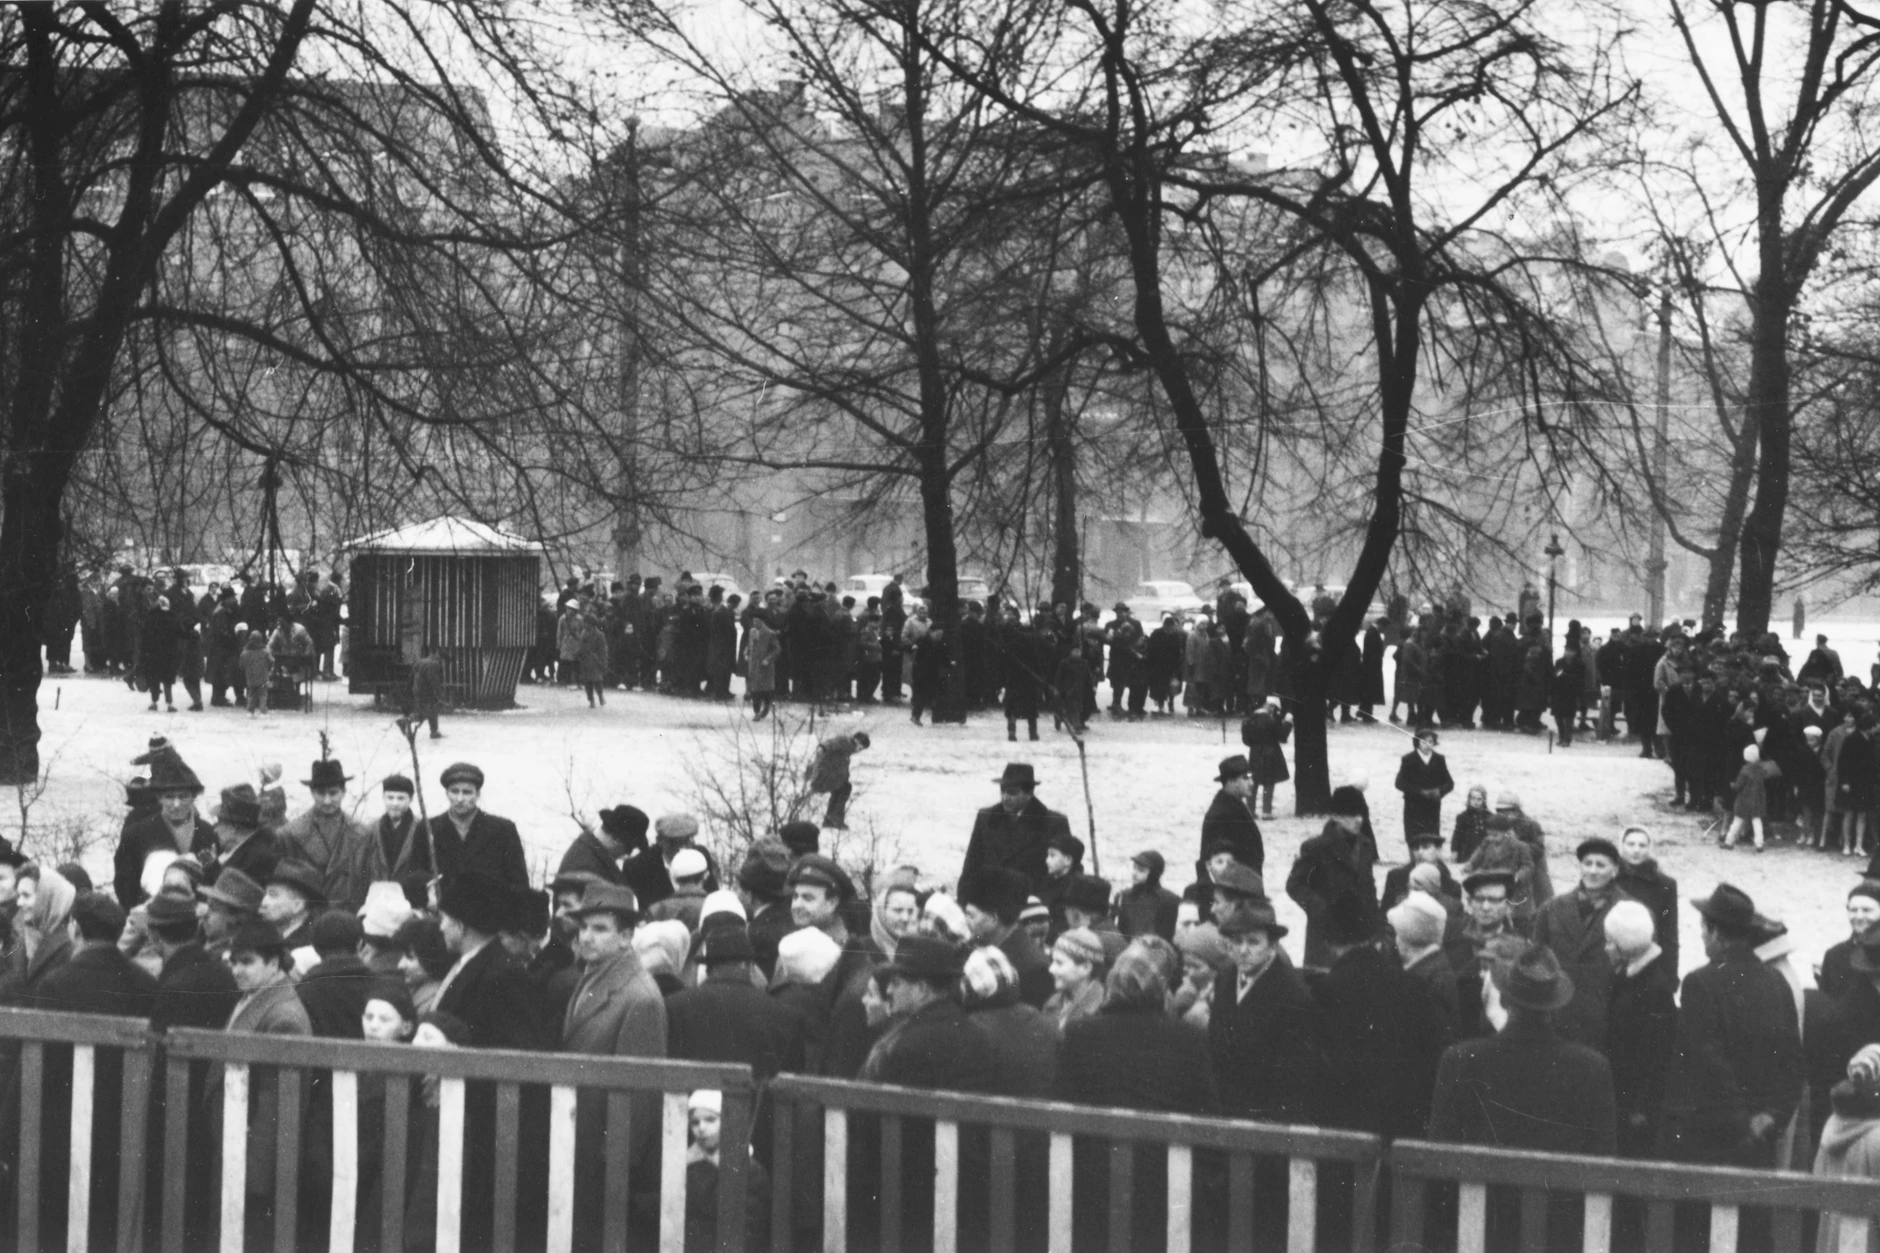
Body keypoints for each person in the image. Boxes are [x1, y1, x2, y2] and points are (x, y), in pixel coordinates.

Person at [1660, 884, 1804, 1167]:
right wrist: (1771, 1118)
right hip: (1760, 1140)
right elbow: (1793, 1063)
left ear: (1716, 932)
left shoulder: (1700, 983)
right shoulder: (1777, 981)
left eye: (1703, 928)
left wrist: (1742, 1127)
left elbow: (1708, 1063)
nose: (1702, 935)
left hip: (1710, 1142)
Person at [1428, 942, 1616, 1154]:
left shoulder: (1459, 1059)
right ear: (1555, 1006)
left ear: (1504, 1000)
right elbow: (1604, 1157)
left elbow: (1439, 1151)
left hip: (1478, 1186)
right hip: (1556, 1187)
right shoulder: (1593, 1068)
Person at [1319, 895, 1451, 1137]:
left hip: (1347, 1132)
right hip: (1405, 1128)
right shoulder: (1412, 984)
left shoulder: (1328, 991)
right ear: (1375, 940)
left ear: (1329, 944)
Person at [1208, 900, 1319, 1124]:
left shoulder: (1293, 996)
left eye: (1253, 942)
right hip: (1221, 1113)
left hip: (1262, 1121)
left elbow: (1291, 1080)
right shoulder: (1225, 978)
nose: (1243, 950)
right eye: (1237, 941)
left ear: (1273, 946)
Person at [1530, 837, 1627, 1049]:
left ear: (1615, 870)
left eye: (1601, 865)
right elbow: (1536, 959)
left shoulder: (1630, 912)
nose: (1592, 871)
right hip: (1559, 1015)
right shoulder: (1551, 908)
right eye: (1587, 863)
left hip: (1607, 1015)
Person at [667, 925, 798, 1079]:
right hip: (754, 1101)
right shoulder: (785, 1017)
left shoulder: (674, 1006)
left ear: (708, 968)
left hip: (693, 1101)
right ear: (747, 965)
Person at [1603, 899, 1679, 1158]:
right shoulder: (1629, 975)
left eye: (1610, 942)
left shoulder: (1653, 990)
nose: (1606, 947)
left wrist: (1641, 1107)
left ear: (1625, 947)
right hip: (1623, 1095)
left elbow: (1657, 1055)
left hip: (1635, 1106)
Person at [1286, 785, 1381, 968]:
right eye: (1352, 815)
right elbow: (1295, 885)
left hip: (1361, 933)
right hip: (1326, 934)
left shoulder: (1366, 846)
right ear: (1336, 816)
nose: (1358, 820)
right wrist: (1321, 908)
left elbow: (1369, 886)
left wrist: (1375, 924)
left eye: (1361, 814)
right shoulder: (1316, 848)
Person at [114, 751, 215, 909]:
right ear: (159, 798)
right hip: (152, 915)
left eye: (183, 796)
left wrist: (210, 867)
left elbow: (216, 883)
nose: (176, 804)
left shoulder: (208, 833)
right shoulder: (136, 834)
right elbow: (125, 885)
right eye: (169, 797)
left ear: (193, 797)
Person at [958, 763, 1074, 895]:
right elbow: (971, 867)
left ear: (1029, 793)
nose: (1005, 797)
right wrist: (965, 903)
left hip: (1031, 905)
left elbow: (1067, 873)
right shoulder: (986, 818)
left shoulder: (1053, 824)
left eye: (1012, 792)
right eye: (1003, 791)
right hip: (990, 903)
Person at [278, 757, 375, 910]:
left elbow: (369, 883)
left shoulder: (363, 834)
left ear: (343, 792)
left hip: (349, 918)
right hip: (307, 916)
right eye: (320, 793)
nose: (327, 800)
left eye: (333, 793)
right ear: (311, 793)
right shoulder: (289, 834)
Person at [958, 867, 1052, 1008]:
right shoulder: (979, 945)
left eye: (971, 915)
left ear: (994, 918)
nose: (965, 921)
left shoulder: (1033, 968)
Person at [426, 763, 529, 892]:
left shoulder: (503, 830)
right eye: (454, 791)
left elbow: (519, 883)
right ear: (447, 793)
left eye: (467, 792)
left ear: (478, 794)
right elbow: (416, 876)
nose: (460, 798)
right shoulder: (428, 828)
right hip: (442, 908)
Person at [1615, 825, 1678, 971]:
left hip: (1649, 960)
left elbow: (1669, 932)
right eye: (1630, 844)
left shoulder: (1665, 884)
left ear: (1649, 848)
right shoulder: (1611, 878)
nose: (1636, 850)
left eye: (1642, 845)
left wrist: (1670, 975)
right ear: (1621, 846)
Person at [1200, 754, 1265, 880]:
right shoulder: (1222, 814)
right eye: (1245, 778)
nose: (1252, 783)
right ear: (1230, 782)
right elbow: (1213, 861)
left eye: (1251, 778)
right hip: (1236, 888)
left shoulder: (1233, 804)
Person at [1394, 726, 1455, 848]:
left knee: (1431, 837)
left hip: (1432, 806)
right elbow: (1399, 783)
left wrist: (1439, 792)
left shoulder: (1439, 759)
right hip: (1413, 805)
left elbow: (1449, 783)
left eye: (1431, 741)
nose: (1428, 745)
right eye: (1424, 741)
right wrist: (1419, 791)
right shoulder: (1408, 759)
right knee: (1413, 837)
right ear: (1417, 743)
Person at [1043, 927, 1107, 1031]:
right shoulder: (1052, 1003)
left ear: (1086, 968)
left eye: (1059, 963)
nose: (1051, 969)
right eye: (1052, 961)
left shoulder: (1100, 1012)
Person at [1239, 697, 1291, 819]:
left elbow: (1246, 741)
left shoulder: (1247, 721)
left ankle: (1250, 810)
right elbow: (1282, 737)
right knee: (1269, 782)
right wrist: (1288, 723)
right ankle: (1266, 811)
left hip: (1254, 754)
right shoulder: (1271, 721)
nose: (1273, 710)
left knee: (1253, 782)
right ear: (1269, 706)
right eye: (1273, 707)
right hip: (1271, 753)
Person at [807, 731, 869, 831]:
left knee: (841, 789)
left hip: (828, 777)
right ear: (856, 741)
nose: (858, 751)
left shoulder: (847, 750)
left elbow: (842, 769)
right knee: (845, 789)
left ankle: (829, 820)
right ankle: (834, 818)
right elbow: (832, 743)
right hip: (824, 777)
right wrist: (823, 747)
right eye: (860, 748)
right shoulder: (845, 742)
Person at [1116, 850, 1179, 941]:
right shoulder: (1126, 896)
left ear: (1153, 874)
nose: (1134, 873)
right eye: (1134, 868)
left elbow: (1167, 936)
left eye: (1141, 870)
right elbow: (1122, 932)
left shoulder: (1168, 900)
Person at [1725, 742, 1770, 852]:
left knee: (1737, 821)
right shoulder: (1761, 770)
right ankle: (1759, 844)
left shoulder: (1744, 770)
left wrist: (1732, 785)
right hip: (1757, 801)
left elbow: (1738, 786)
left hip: (1744, 800)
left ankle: (1729, 841)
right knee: (1757, 822)